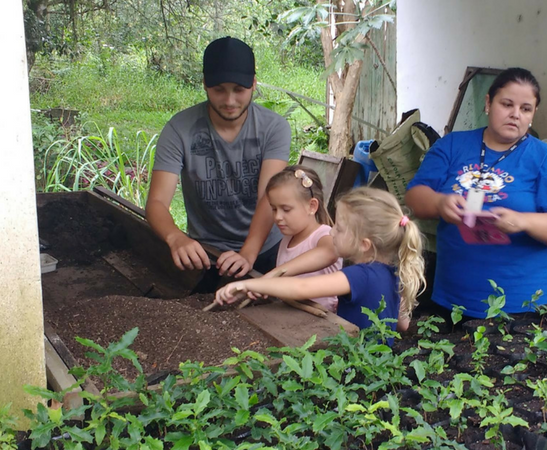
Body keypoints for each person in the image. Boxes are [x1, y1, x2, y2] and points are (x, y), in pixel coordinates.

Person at [405, 67, 547, 318]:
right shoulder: (452, 146)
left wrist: (523, 221)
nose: (515, 115)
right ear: (488, 103)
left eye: (525, 109)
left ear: (533, 114)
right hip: (455, 297)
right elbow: (415, 197)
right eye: (507, 104)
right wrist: (439, 203)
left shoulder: (546, 160)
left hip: (524, 303)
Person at [146, 37, 291, 291]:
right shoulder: (179, 129)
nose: (230, 100)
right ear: (204, 84)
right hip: (206, 253)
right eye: (219, 89)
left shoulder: (274, 128)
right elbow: (157, 202)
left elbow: (268, 199)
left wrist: (248, 253)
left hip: (267, 249)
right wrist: (175, 238)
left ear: (254, 84)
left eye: (239, 89)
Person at [215, 187, 426, 335]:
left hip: (352, 367)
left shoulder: (360, 276)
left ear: (364, 244)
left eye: (340, 229)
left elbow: (302, 287)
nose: (332, 231)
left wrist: (248, 283)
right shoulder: (392, 271)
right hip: (378, 368)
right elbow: (403, 325)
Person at [258, 165, 342, 311]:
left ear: (312, 206)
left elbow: (330, 252)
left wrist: (273, 275)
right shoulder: (287, 238)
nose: (277, 217)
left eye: (286, 209)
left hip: (322, 323)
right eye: (274, 209)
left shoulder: (324, 235)